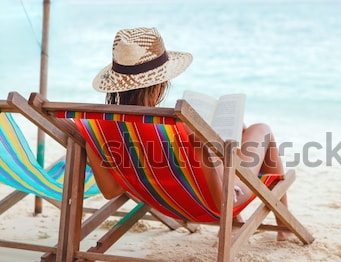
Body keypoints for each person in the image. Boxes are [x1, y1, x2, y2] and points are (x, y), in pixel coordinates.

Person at [87, 27, 293, 241]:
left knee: (237, 129)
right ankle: (283, 227)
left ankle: (240, 223)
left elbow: (111, 191)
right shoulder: (177, 127)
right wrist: (207, 147)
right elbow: (219, 198)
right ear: (160, 85)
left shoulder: (98, 130)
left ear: (116, 86)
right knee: (262, 129)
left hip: (167, 201)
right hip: (218, 202)